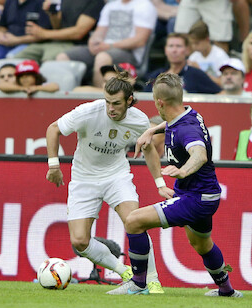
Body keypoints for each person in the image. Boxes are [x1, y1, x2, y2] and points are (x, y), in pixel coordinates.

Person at [117, 72, 240, 297]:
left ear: (160, 102)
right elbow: (171, 123)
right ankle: (227, 290)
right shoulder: (186, 114)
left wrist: (182, 171)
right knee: (202, 245)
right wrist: (152, 130)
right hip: (205, 194)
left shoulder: (186, 130)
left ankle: (138, 283)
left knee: (133, 221)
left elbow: (199, 154)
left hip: (196, 198)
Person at [45, 69, 164, 295]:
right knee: (80, 241)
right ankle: (124, 271)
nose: (110, 108)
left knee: (135, 221)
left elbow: (149, 149)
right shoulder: (88, 112)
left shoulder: (139, 120)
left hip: (116, 175)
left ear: (129, 101)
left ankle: (152, 280)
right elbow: (53, 129)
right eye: (107, 102)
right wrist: (53, 165)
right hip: (83, 179)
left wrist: (159, 182)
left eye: (116, 103)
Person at [60, 0, 156, 87]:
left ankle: (101, 100)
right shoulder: (111, 5)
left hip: (129, 54)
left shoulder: (144, 5)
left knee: (102, 58)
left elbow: (140, 40)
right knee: (63, 57)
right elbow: (100, 31)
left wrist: (108, 45)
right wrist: (94, 41)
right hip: (105, 48)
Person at [144, 32, 222, 94]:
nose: (174, 50)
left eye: (178, 46)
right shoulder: (155, 76)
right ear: (165, 50)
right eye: (171, 46)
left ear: (187, 50)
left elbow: (220, 94)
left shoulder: (196, 75)